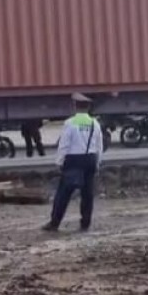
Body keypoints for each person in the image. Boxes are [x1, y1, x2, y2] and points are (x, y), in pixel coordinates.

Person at [43, 93, 103, 232]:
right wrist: (97, 163)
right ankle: (85, 224)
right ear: (88, 107)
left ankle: (54, 223)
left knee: (63, 193)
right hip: (90, 159)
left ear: (75, 106)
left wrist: (59, 162)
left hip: (73, 160)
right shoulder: (95, 123)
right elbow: (99, 146)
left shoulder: (70, 123)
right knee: (87, 194)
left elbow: (64, 144)